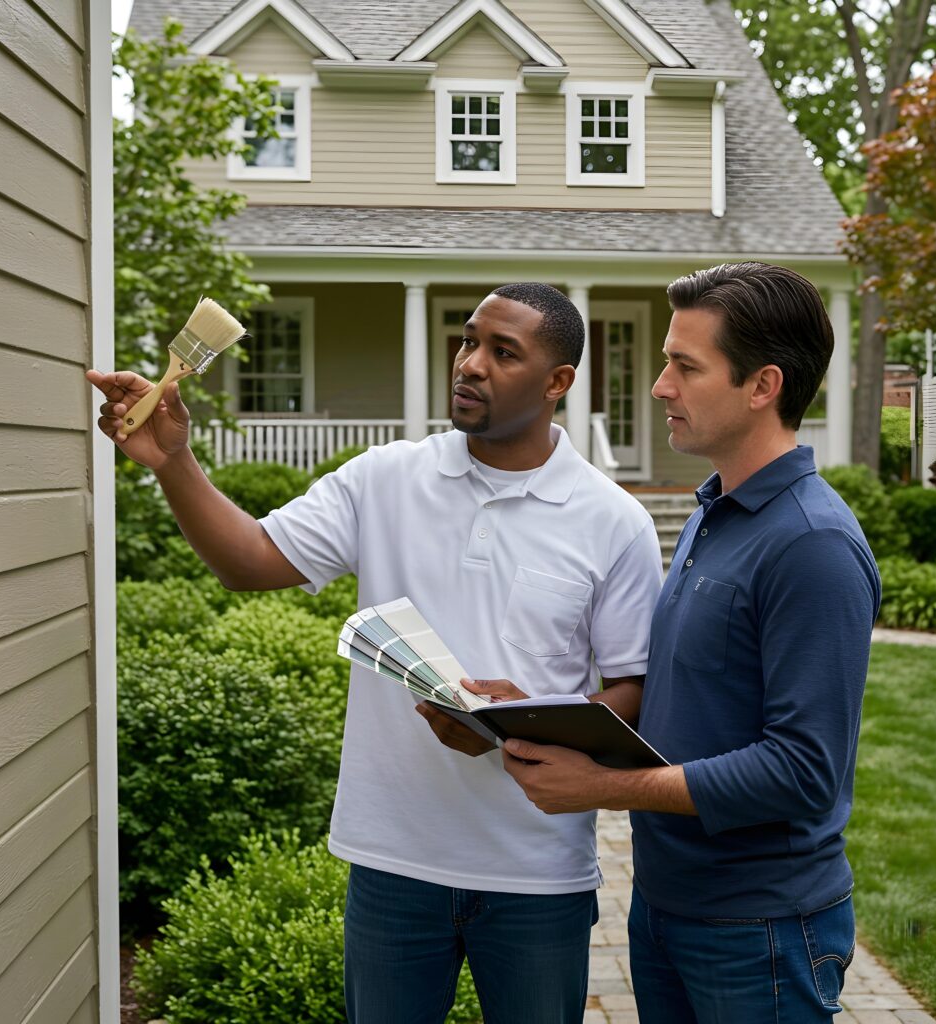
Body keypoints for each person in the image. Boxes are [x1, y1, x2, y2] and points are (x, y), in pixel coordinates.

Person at [88, 282, 663, 1024]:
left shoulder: (613, 521)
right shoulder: (385, 478)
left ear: (558, 383)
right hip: (394, 862)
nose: (471, 363)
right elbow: (250, 561)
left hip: (536, 871)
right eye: (467, 340)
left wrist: (513, 726)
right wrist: (173, 460)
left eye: (502, 351)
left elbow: (631, 687)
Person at [501, 263, 881, 1023]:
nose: (659, 386)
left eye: (685, 365)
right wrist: (544, 714)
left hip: (761, 933)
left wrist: (601, 789)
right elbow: (692, 698)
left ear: (762, 385)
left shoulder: (811, 545)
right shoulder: (717, 512)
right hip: (671, 909)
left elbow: (804, 771)